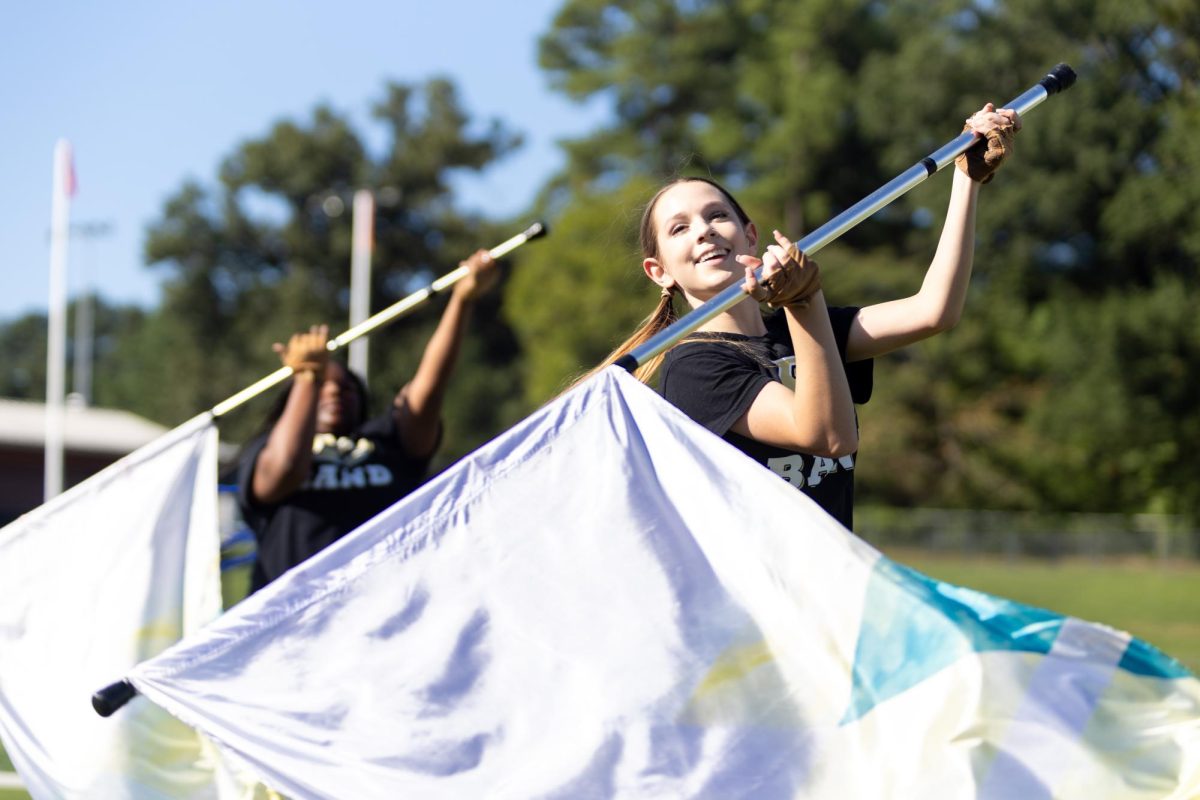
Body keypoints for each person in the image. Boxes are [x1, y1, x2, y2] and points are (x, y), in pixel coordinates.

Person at [592, 103, 1019, 530]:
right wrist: (804, 301)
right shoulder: (695, 368)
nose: (704, 230)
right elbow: (827, 436)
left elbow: (934, 311)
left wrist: (968, 179)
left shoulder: (799, 328)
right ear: (659, 271)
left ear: (750, 235)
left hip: (837, 585)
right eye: (679, 228)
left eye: (717, 215)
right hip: (765, 593)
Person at [236, 249, 499, 592]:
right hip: (297, 631)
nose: (334, 392)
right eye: (323, 387)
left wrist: (462, 301)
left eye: (346, 387)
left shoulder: (386, 443)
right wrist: (305, 380)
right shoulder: (267, 451)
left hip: (386, 612)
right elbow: (286, 466)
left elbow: (427, 391)